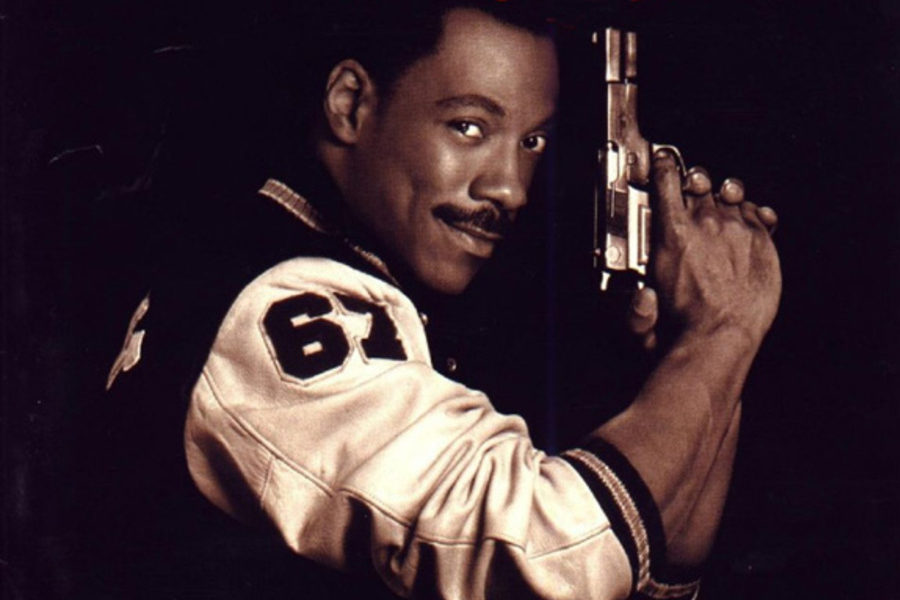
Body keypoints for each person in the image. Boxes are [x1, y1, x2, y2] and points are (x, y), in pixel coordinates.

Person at [98, 1, 781, 599]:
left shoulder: (335, 272)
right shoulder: (284, 303)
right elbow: (554, 560)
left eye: (532, 141)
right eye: (469, 128)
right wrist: (723, 330)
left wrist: (695, 348)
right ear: (350, 105)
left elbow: (652, 570)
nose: (509, 188)